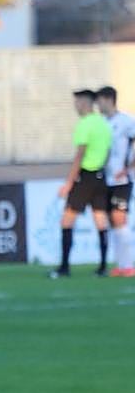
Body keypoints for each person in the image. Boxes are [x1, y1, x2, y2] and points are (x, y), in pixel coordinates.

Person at [50, 89, 112, 278]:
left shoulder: (84, 124)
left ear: (85, 103)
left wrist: (69, 183)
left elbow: (80, 154)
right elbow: (108, 152)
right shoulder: (103, 123)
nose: (75, 106)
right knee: (100, 220)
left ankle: (64, 267)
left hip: (85, 177)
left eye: (77, 102)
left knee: (67, 220)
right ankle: (102, 267)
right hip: (101, 177)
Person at [97, 86, 135, 276]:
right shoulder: (101, 123)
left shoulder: (127, 121)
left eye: (100, 101)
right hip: (104, 180)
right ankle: (121, 265)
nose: (98, 105)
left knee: (120, 219)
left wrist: (128, 168)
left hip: (122, 180)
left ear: (109, 100)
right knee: (112, 221)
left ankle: (129, 264)